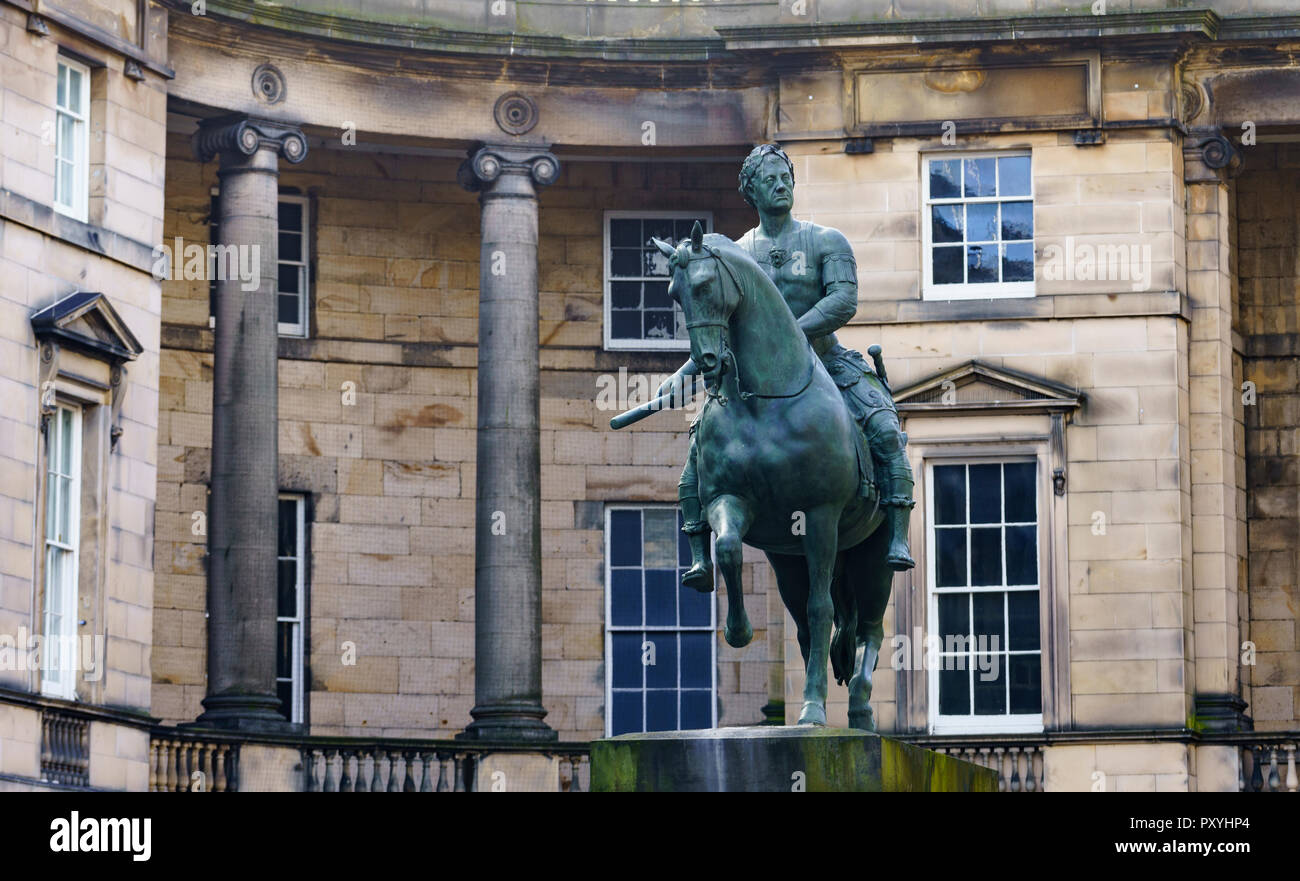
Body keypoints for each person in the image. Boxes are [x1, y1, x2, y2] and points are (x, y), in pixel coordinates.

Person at [662, 143, 916, 591]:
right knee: (698, 448)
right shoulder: (735, 253)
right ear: (751, 192)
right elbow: (716, 321)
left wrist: (791, 338)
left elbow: (843, 300)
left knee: (883, 423)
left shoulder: (826, 240)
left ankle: (896, 534)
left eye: (786, 178)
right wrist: (685, 373)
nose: (781, 185)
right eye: (770, 180)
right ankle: (701, 554)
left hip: (828, 361)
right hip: (752, 379)